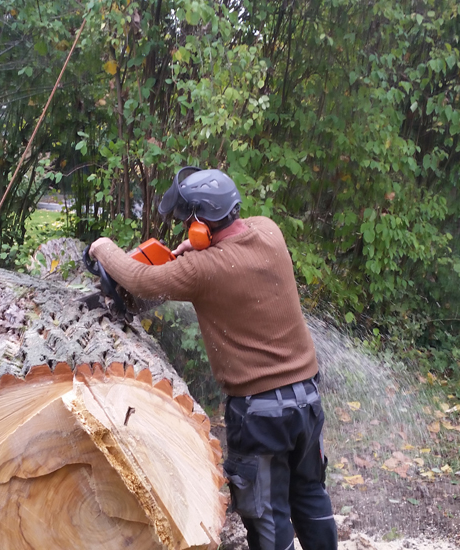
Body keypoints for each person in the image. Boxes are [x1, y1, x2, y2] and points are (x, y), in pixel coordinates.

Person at [89, 167, 338, 550]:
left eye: (187, 223)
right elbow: (234, 253)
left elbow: (139, 278)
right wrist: (201, 250)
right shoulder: (268, 230)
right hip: (307, 400)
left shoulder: (203, 270)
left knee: (267, 514)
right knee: (309, 495)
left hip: (261, 415)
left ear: (200, 225)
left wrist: (104, 247)